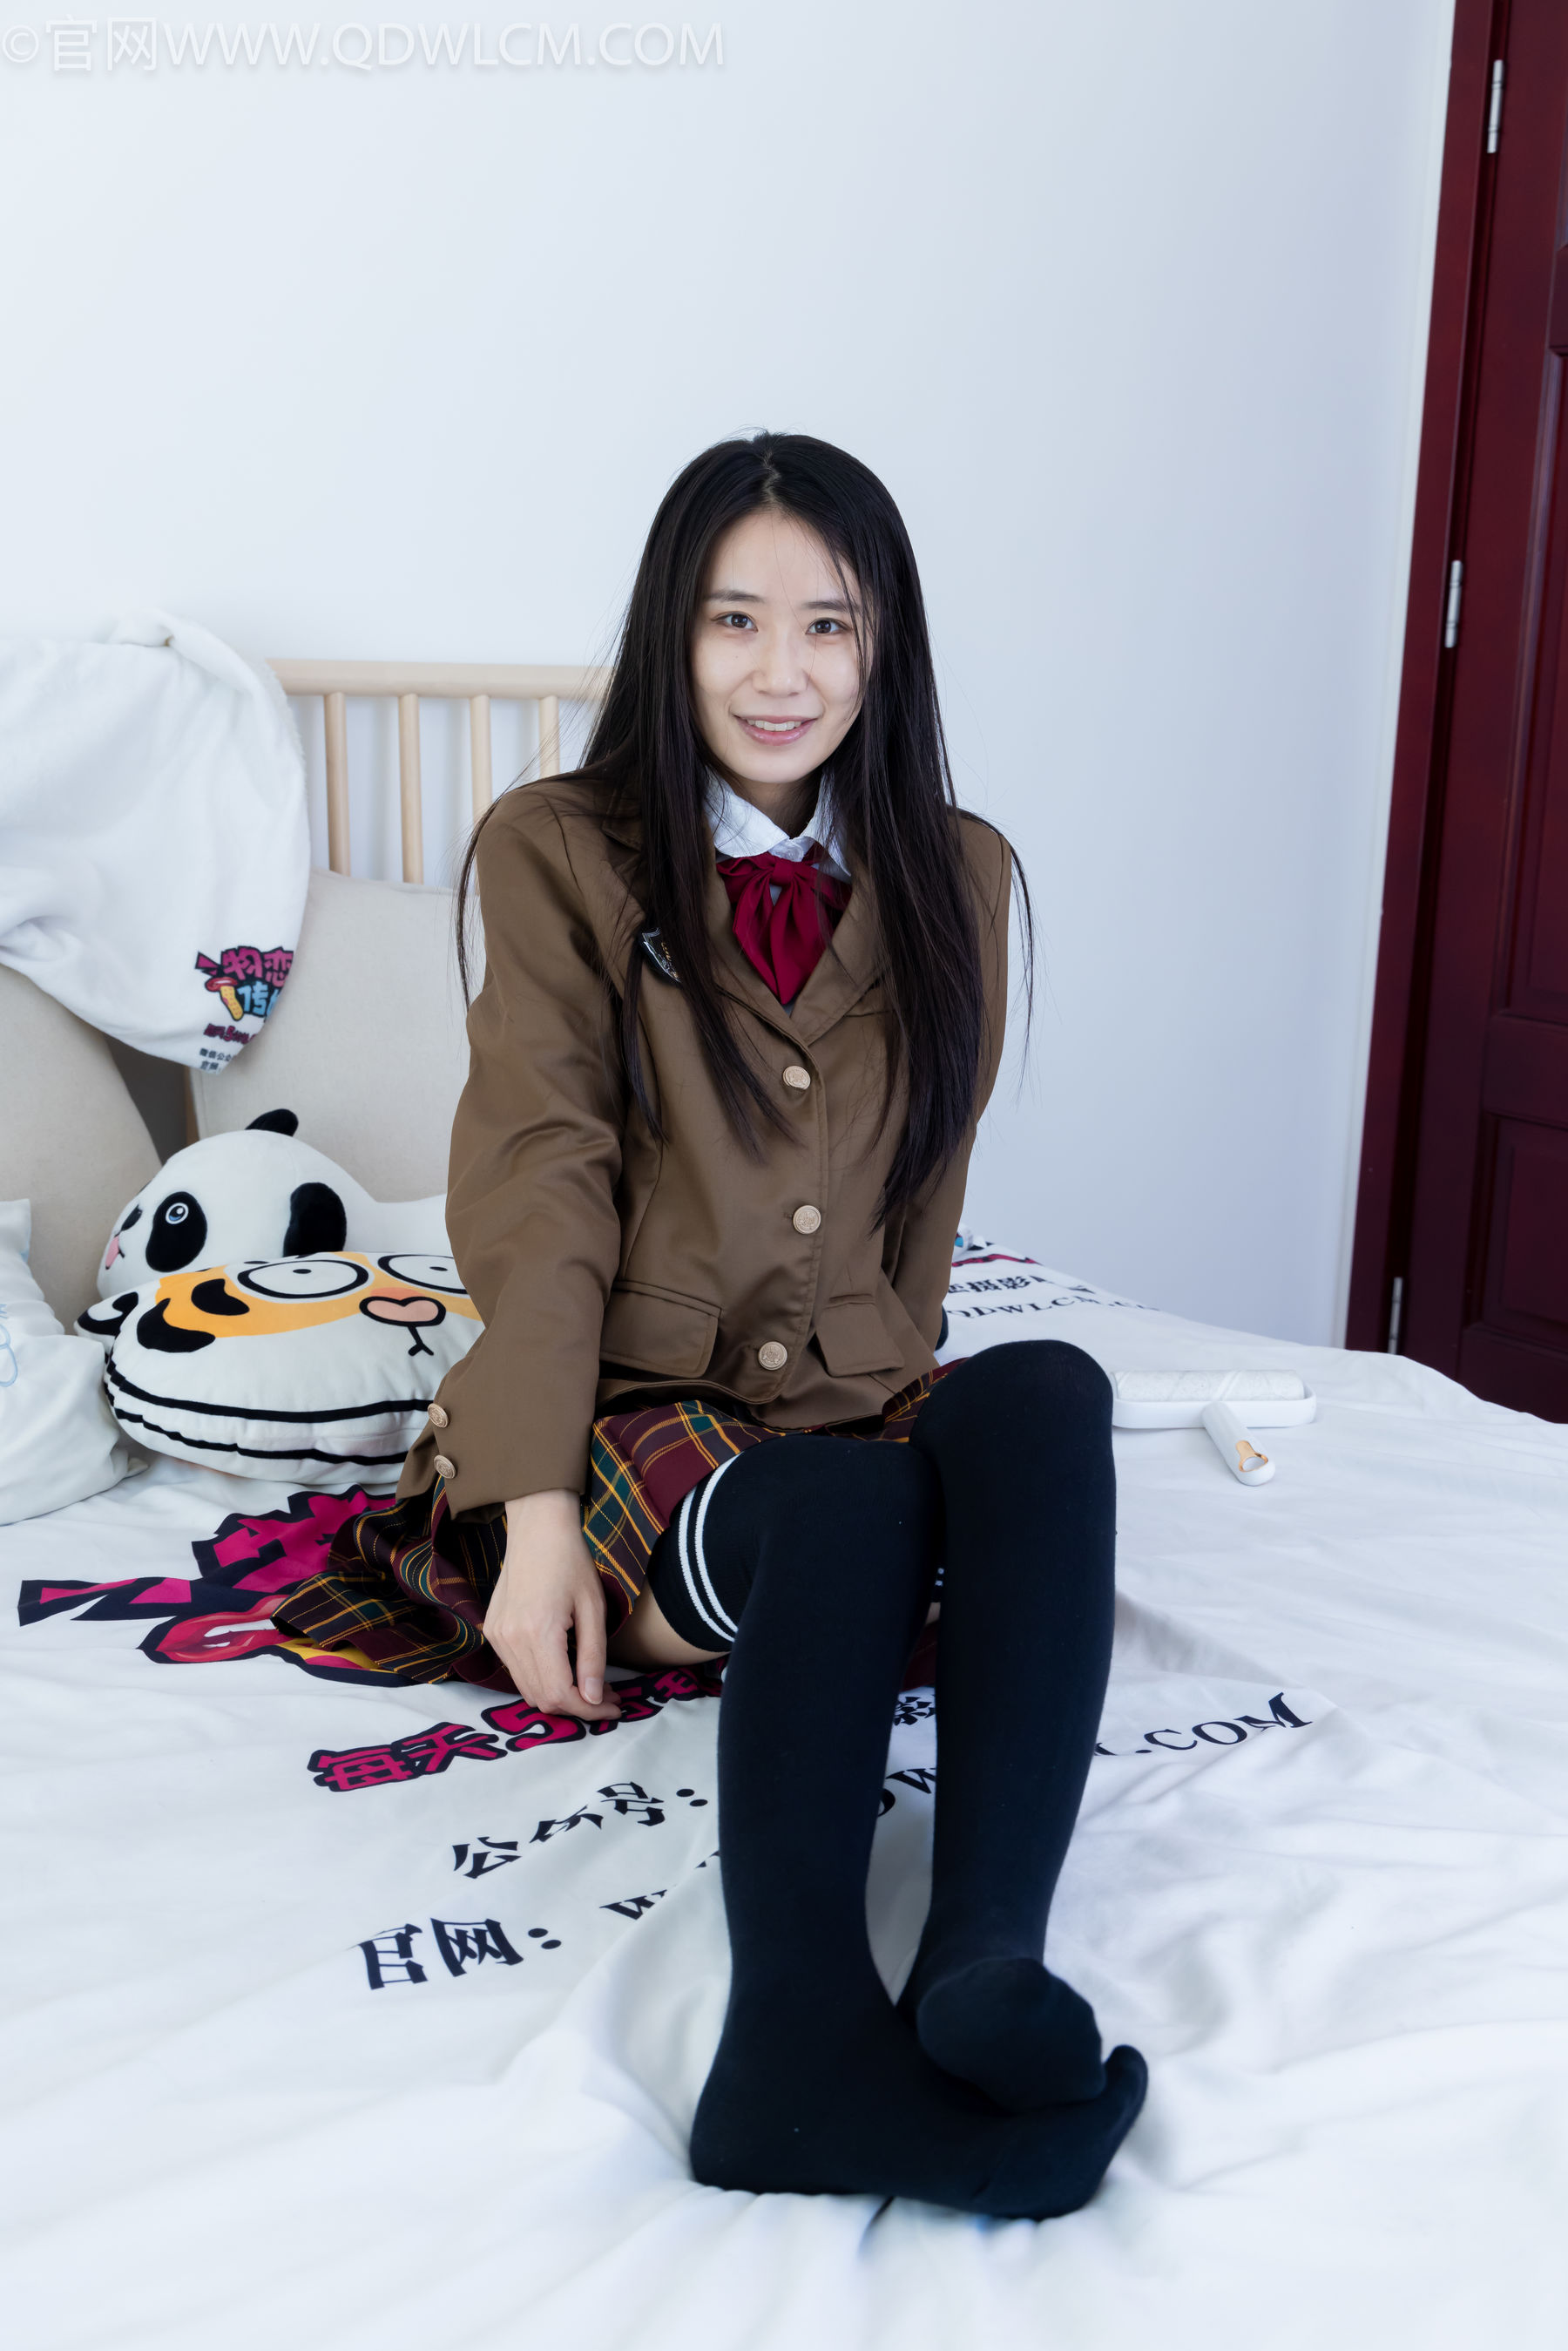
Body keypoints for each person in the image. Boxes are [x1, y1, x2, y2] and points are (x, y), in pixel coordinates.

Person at [277, 431, 1146, 2218]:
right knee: (839, 1504)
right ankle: (793, 2056)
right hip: (627, 1400)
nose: (780, 671)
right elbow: (542, 1184)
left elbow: (923, 1205)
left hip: (844, 1401)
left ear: (884, 645)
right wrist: (532, 1517)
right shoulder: (558, 850)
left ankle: (983, 1951)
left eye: (828, 624)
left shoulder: (960, 869)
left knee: (1050, 1392)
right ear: (670, 634)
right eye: (734, 619)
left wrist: (924, 1426)